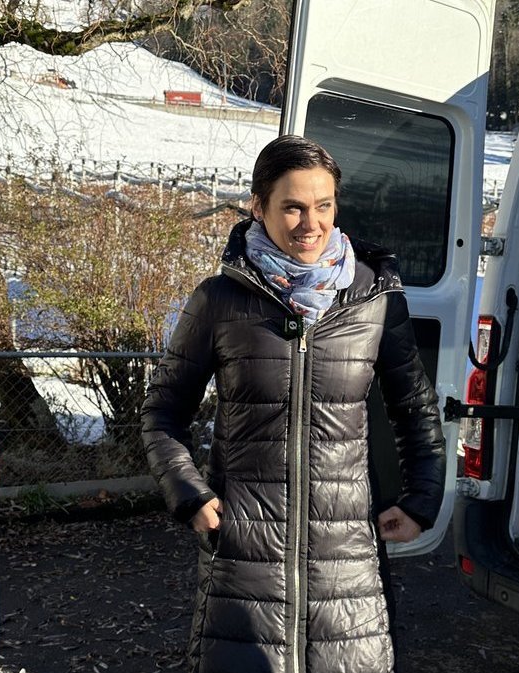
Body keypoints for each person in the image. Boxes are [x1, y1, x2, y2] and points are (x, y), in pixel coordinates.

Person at [142, 134, 446, 673]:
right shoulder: (220, 300)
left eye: (324, 206)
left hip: (348, 560)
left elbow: (415, 408)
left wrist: (422, 498)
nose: (312, 223)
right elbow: (164, 412)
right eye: (294, 207)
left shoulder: (374, 297)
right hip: (243, 552)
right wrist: (191, 495)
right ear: (259, 207)